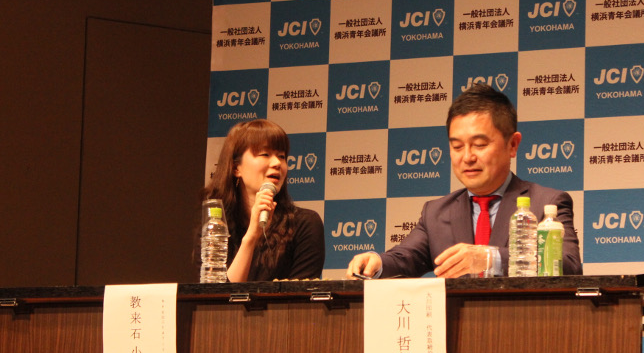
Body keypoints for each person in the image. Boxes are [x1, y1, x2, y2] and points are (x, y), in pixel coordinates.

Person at [346, 84, 581, 279]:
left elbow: (569, 266)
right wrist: (376, 262)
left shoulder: (546, 203)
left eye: (479, 145)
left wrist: (489, 258)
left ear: (512, 145)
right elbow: (404, 258)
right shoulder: (436, 213)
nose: (467, 157)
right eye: (457, 146)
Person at [196, 119, 325, 282]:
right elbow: (219, 293)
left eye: (282, 156)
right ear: (236, 168)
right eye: (265, 154)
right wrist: (251, 236)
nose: (277, 163)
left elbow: (300, 295)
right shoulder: (215, 228)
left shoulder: (305, 224)